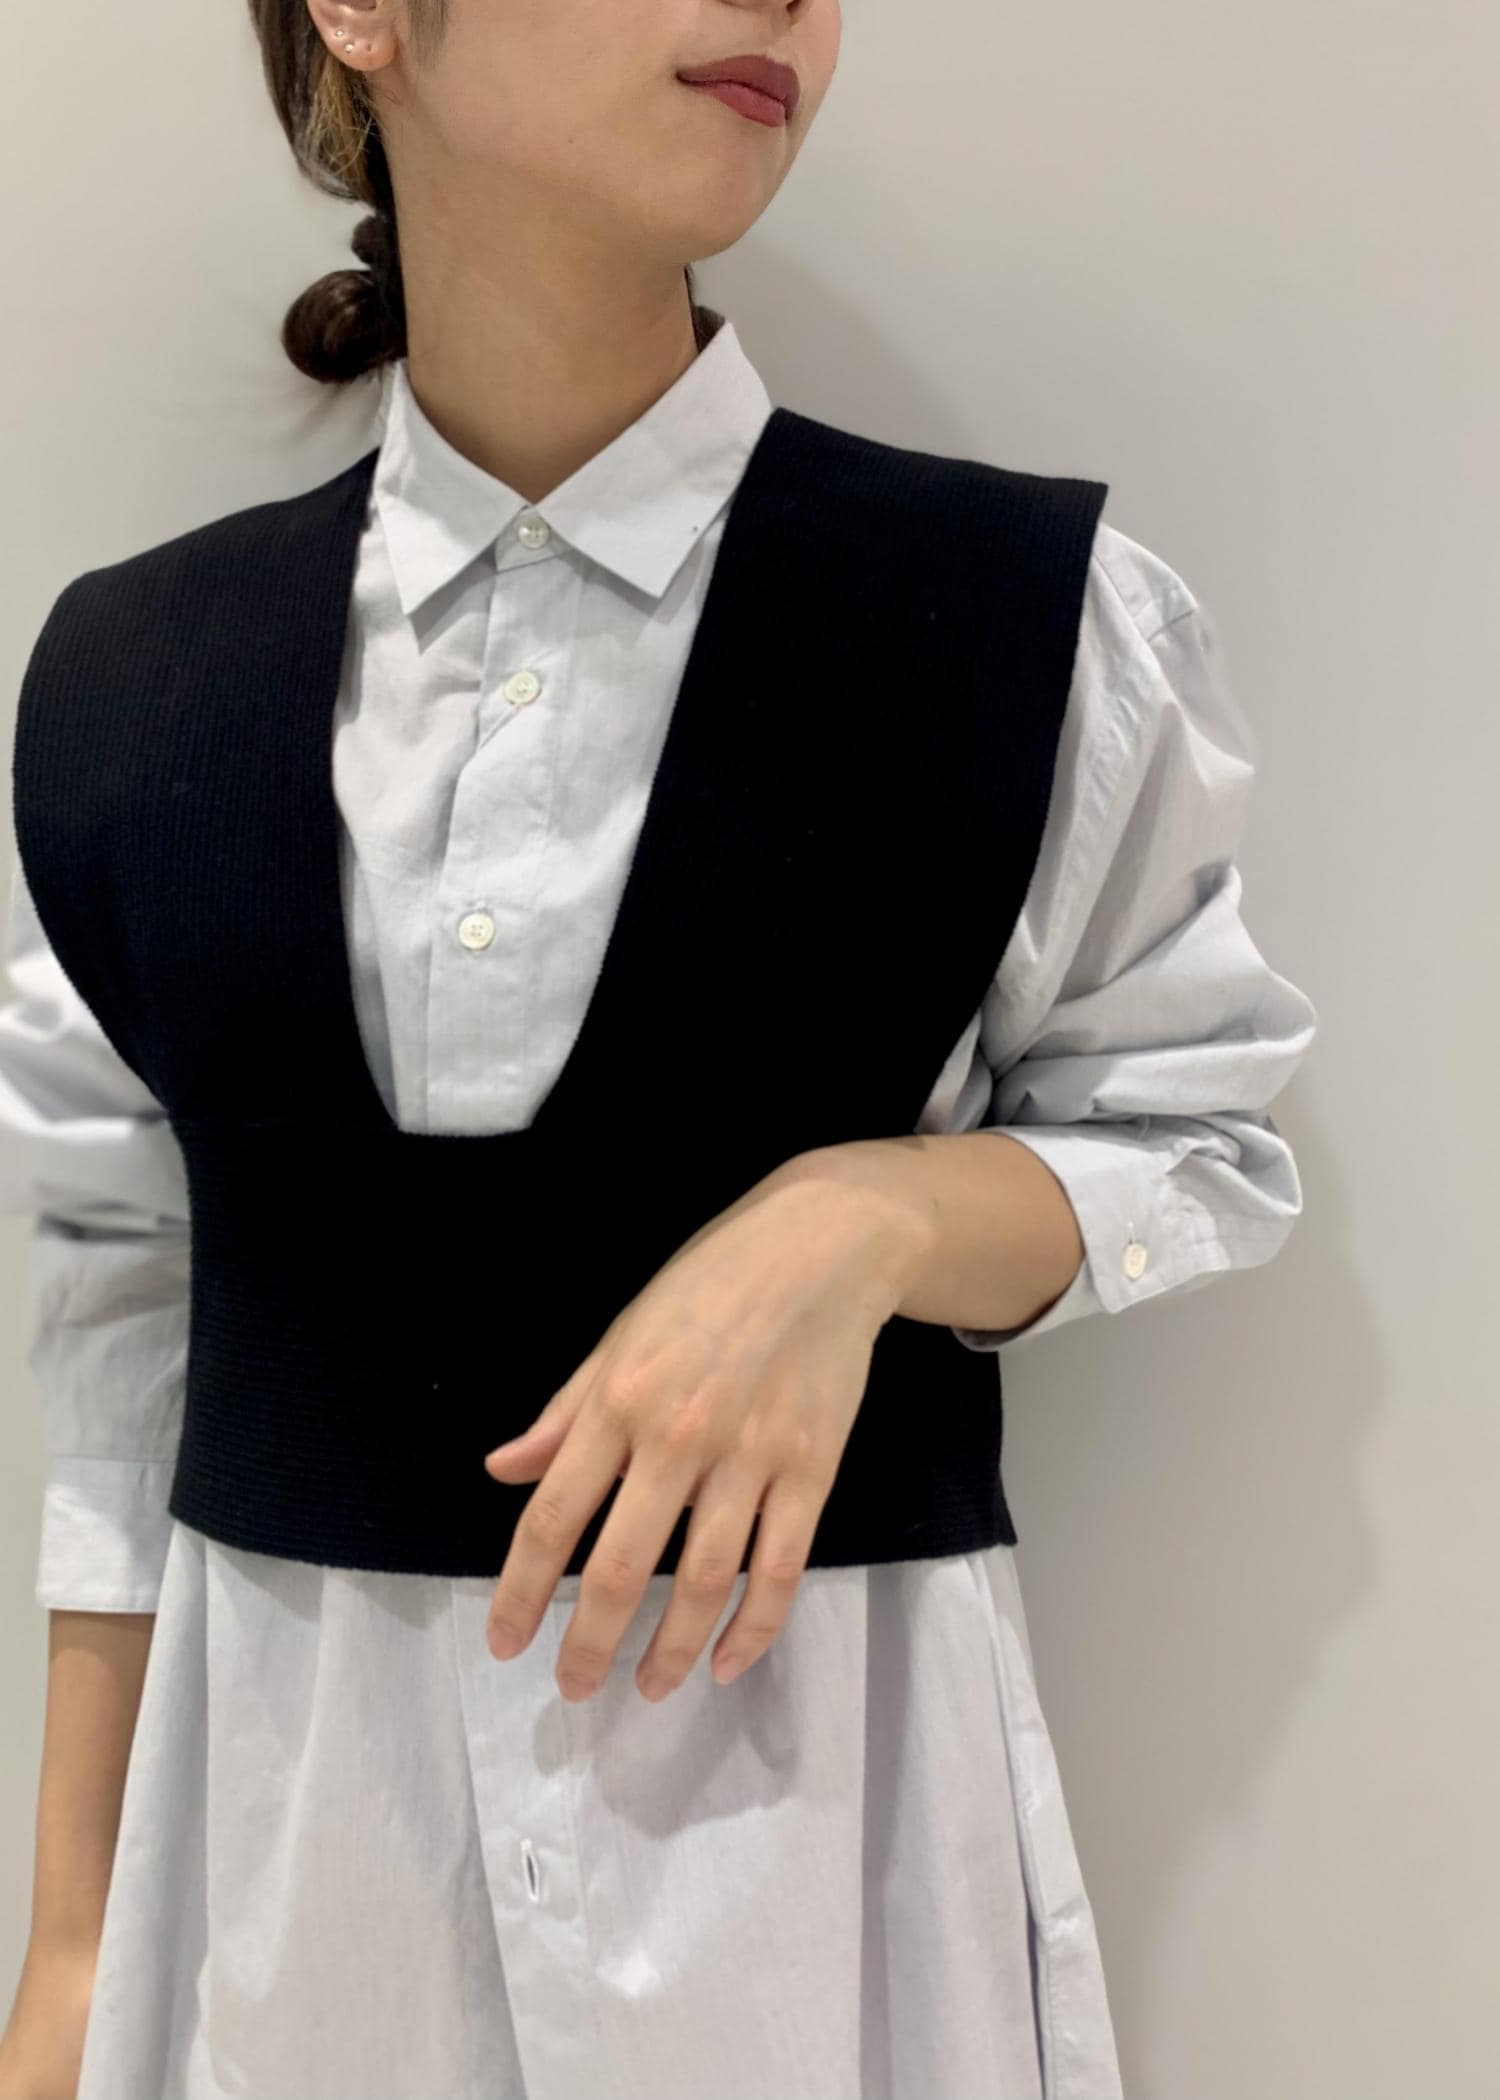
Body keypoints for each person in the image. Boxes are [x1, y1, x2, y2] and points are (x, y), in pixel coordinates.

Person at [0, 3, 1319, 2097]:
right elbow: (123, 1330)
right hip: (289, 1928)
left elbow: (1199, 1130)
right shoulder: (129, 693)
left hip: (821, 1930)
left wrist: (872, 1221)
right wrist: (72, 1955)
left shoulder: (1018, 623)